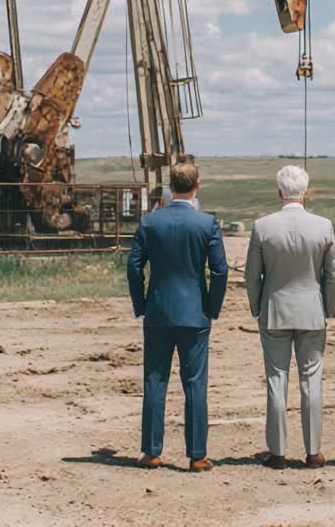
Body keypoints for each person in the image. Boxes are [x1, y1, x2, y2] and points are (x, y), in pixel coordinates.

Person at [127, 159, 228, 472]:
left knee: (155, 381)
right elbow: (220, 271)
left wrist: (141, 304)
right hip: (195, 314)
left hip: (158, 312)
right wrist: (211, 307)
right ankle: (197, 455)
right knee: (195, 384)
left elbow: (133, 267)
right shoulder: (207, 224)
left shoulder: (149, 223)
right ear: (196, 186)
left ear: (170, 187)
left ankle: (152, 451)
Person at [244, 165, 335, 469]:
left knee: (277, 380)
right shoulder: (323, 226)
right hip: (311, 310)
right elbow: (333, 276)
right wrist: (329, 308)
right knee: (312, 381)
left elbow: (252, 276)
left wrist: (256, 307)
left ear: (279, 192)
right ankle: (313, 451)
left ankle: (278, 452)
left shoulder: (262, 226)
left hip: (275, 311)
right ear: (305, 192)